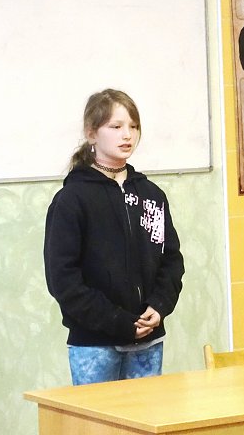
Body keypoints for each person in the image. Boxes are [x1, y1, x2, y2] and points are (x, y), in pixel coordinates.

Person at [44, 89, 184, 385]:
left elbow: (171, 261)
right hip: (95, 345)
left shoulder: (151, 195)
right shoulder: (72, 199)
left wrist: (159, 306)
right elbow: (63, 280)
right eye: (116, 126)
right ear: (91, 133)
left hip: (148, 341)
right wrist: (118, 321)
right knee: (97, 416)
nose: (127, 135)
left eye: (133, 126)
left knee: (146, 414)